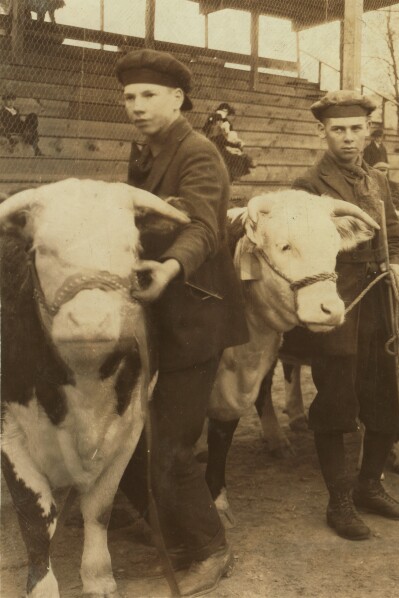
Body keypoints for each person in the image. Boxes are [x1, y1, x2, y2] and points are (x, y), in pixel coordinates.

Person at [113, 49, 248, 596]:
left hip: (196, 313)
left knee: (169, 444)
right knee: (125, 431)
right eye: (129, 97)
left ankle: (210, 549)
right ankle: (158, 519)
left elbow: (204, 228)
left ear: (177, 99)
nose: (138, 106)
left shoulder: (200, 153)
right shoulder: (143, 152)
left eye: (149, 96)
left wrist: (169, 267)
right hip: (155, 313)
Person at [289, 90, 399, 541]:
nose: (347, 138)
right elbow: (306, 250)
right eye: (338, 130)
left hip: (381, 304)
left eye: (356, 129)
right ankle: (338, 501)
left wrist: (398, 264)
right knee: (337, 401)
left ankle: (368, 486)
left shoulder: (377, 182)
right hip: (339, 302)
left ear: (368, 131)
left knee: (387, 394)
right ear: (323, 132)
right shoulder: (308, 185)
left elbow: (394, 236)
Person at [202, 102, 255, 181]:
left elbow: (230, 134)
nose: (224, 113)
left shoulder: (227, 122)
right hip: (218, 144)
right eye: (223, 110)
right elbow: (210, 132)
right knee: (229, 157)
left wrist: (234, 142)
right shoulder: (214, 120)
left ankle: (233, 175)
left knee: (235, 155)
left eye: (226, 111)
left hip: (225, 142)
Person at [1, 91, 43, 155]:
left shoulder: (15, 110)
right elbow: (4, 123)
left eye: (13, 100)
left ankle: (33, 144)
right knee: (29, 129)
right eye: (8, 100)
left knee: (32, 116)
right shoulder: (2, 111)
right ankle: (36, 148)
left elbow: (19, 121)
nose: (11, 102)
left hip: (19, 126)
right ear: (4, 101)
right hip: (10, 127)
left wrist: (25, 124)